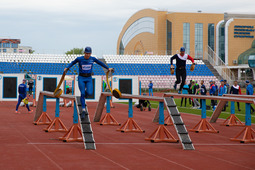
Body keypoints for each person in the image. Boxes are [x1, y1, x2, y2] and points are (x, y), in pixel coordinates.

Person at [64, 47, 113, 119]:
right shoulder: (79, 59)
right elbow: (72, 62)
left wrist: (108, 68)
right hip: (81, 78)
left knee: (90, 93)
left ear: (91, 53)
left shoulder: (92, 59)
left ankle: (84, 96)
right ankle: (83, 110)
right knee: (82, 93)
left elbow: (100, 63)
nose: (87, 55)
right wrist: (67, 67)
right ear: (84, 53)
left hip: (89, 78)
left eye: (89, 53)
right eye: (86, 53)